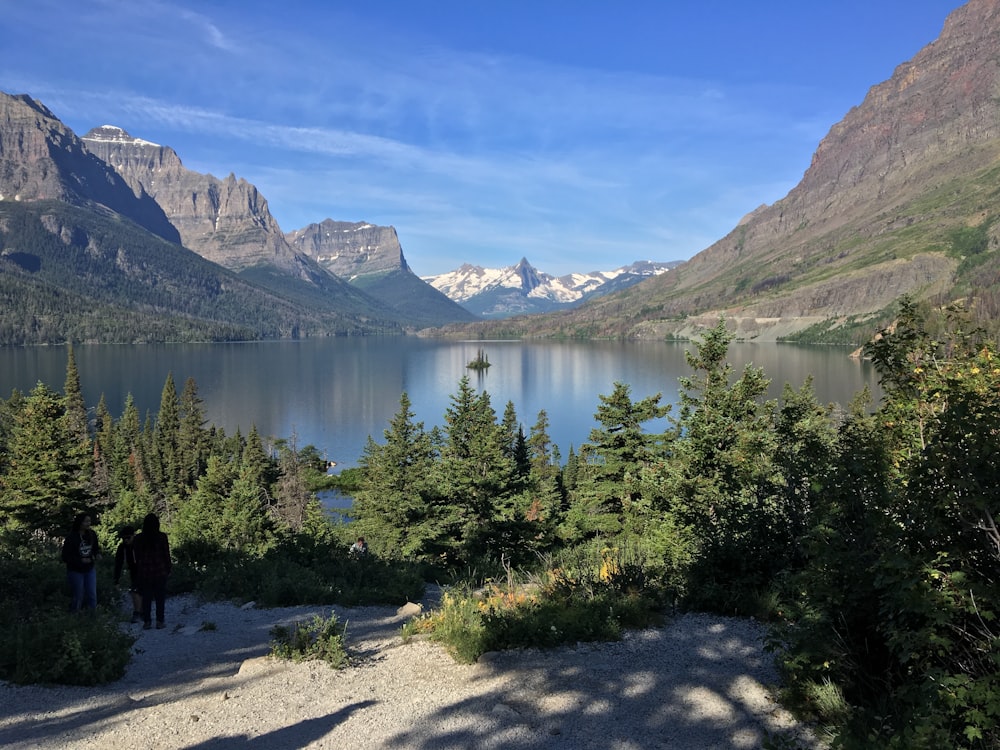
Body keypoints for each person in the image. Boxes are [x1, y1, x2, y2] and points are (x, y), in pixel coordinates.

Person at [133, 512, 172, 630]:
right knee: (160, 597)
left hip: (145, 571)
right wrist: (168, 568)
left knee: (146, 597)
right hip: (160, 570)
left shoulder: (138, 538)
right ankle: (160, 621)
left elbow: (137, 556)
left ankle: (147, 621)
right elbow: (166, 554)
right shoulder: (162, 537)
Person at [62, 512, 99, 612]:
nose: (88, 523)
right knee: (78, 595)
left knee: (92, 594)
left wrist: (96, 555)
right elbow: (65, 556)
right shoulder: (71, 537)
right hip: (75, 570)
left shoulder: (92, 535)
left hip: (89, 569)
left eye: (89, 521)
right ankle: (75, 617)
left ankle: (93, 617)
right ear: (80, 522)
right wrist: (80, 560)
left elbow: (95, 549)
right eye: (86, 521)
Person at [113, 525, 143, 624]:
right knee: (135, 590)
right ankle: (138, 612)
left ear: (133, 536)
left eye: (128, 538)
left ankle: (140, 612)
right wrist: (116, 580)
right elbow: (118, 564)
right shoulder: (122, 548)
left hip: (145, 569)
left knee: (141, 591)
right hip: (133, 571)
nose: (126, 540)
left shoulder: (140, 543)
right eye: (123, 538)